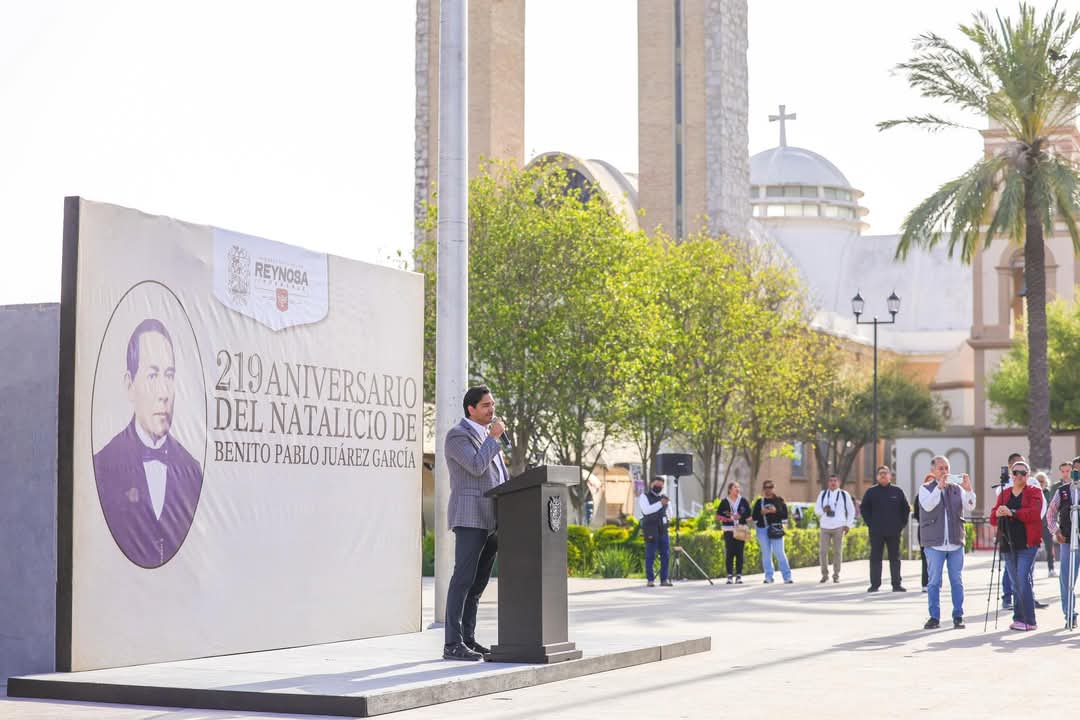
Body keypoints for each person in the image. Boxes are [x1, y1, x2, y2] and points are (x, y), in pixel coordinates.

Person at [93, 318, 203, 569]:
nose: (164, 392)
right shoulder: (103, 467)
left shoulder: (193, 471)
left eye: (169, 375)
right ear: (130, 386)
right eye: (152, 375)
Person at [442, 385, 510, 661]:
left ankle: (468, 639)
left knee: (479, 582)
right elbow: (475, 467)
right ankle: (452, 643)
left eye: (492, 404)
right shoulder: (458, 435)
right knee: (463, 579)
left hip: (493, 518)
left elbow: (499, 477)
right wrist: (493, 439)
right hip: (470, 516)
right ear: (471, 408)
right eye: (486, 405)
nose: (492, 410)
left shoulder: (487, 437)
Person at [919, 455, 976, 629]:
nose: (944, 472)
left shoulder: (957, 489)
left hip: (955, 542)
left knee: (956, 581)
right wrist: (939, 487)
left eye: (946, 468)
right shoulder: (925, 488)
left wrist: (968, 489)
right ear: (933, 471)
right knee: (934, 581)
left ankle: (958, 615)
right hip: (934, 544)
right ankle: (934, 617)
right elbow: (928, 506)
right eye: (940, 468)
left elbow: (970, 506)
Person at [990, 460, 1043, 631]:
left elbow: (1034, 513)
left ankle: (1030, 620)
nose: (1019, 476)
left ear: (1028, 475)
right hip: (1008, 543)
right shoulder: (1004, 493)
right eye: (1016, 473)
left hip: (1028, 544)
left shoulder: (1035, 492)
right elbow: (992, 518)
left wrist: (1012, 512)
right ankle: (1019, 618)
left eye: (1023, 473)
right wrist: (998, 512)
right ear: (1011, 476)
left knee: (1022, 579)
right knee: (1014, 582)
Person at [860, 465, 911, 592]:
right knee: (875, 558)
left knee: (895, 558)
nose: (883, 475)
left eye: (885, 473)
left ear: (890, 476)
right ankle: (875, 585)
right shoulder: (871, 492)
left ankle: (896, 584)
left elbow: (906, 509)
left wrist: (901, 525)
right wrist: (871, 523)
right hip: (876, 531)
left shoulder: (897, 491)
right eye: (880, 473)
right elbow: (864, 509)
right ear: (877, 476)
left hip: (894, 531)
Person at [1046, 455, 1080, 628]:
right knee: (1067, 579)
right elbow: (1051, 513)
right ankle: (1069, 614)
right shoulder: (1063, 491)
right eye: (1076, 470)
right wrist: (1056, 531)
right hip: (1068, 541)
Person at [814, 474, 854, 583]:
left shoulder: (844, 495)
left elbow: (851, 511)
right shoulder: (822, 494)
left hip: (839, 526)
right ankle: (824, 574)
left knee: (837, 551)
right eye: (831, 481)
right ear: (828, 483)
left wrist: (848, 525)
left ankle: (836, 575)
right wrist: (823, 510)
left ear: (839, 482)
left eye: (835, 481)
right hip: (825, 526)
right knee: (823, 551)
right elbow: (816, 510)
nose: (833, 483)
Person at [752, 482, 792, 584]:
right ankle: (768, 576)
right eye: (766, 487)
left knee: (779, 553)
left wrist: (775, 511)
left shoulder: (779, 501)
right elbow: (754, 517)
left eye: (770, 487)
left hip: (776, 529)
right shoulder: (759, 502)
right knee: (766, 554)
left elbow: (784, 516)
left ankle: (787, 577)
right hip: (762, 530)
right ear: (763, 489)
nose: (768, 489)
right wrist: (761, 513)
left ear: (774, 488)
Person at [639, 476, 672, 588]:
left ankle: (664, 579)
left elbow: (670, 513)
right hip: (651, 530)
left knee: (665, 556)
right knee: (650, 555)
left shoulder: (665, 498)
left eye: (661, 484)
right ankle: (650, 580)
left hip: (663, 530)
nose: (659, 486)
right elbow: (646, 510)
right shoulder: (644, 496)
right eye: (657, 484)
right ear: (651, 484)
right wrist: (660, 504)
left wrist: (668, 520)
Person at [716, 481, 751, 584]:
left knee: (740, 553)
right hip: (729, 530)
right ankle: (730, 576)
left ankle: (739, 575)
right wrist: (728, 519)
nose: (738, 489)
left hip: (740, 530)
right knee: (730, 553)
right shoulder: (724, 502)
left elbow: (749, 515)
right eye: (735, 487)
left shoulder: (743, 501)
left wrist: (740, 516)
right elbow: (718, 516)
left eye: (738, 487)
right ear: (730, 489)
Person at [1037, 471, 1057, 578]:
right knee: (1032, 548)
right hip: (1035, 525)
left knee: (1049, 548)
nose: (1040, 483)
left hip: (1046, 525)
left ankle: (1051, 568)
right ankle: (1031, 570)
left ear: (1046, 482)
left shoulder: (1049, 493)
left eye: (1042, 481)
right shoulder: (1033, 492)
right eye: (1038, 481)